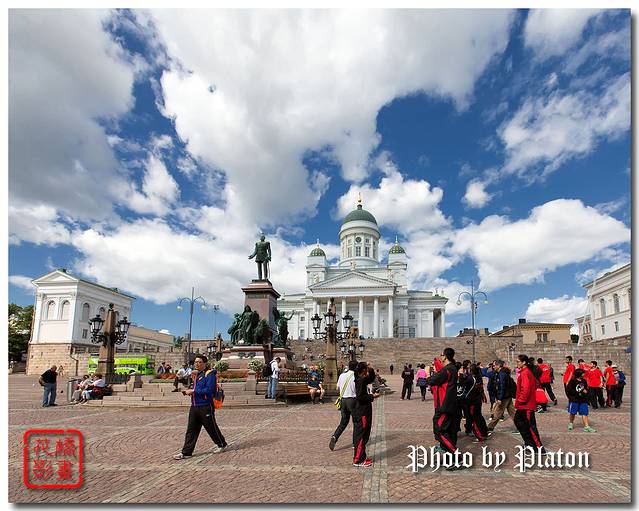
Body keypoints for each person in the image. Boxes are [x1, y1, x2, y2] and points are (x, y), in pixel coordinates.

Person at [173, 355, 228, 459]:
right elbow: (198, 389)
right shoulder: (197, 375)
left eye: (199, 362)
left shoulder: (210, 374)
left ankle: (222, 444)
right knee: (191, 430)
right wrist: (190, 392)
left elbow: (209, 390)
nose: (197, 364)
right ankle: (186, 452)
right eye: (196, 362)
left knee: (211, 427)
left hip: (205, 405)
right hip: (194, 405)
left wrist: (194, 391)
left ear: (205, 363)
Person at [423, 348, 460, 462]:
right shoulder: (452, 368)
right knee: (449, 431)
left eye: (441, 355)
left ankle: (457, 456)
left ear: (445, 356)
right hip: (450, 404)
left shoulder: (448, 369)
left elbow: (431, 380)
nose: (440, 357)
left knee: (440, 430)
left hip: (445, 405)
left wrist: (427, 373)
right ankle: (450, 457)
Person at [513, 355, 547, 455]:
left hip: (526, 405)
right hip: (523, 405)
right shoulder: (526, 372)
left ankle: (539, 448)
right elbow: (535, 384)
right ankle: (529, 443)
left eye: (518, 361)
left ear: (524, 362)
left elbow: (526, 389)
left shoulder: (525, 373)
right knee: (519, 422)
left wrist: (520, 400)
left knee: (531, 427)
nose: (517, 363)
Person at [352, 362, 380, 467]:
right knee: (362, 435)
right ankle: (358, 459)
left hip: (364, 410)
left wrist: (371, 370)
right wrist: (372, 396)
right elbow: (360, 397)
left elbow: (371, 378)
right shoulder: (360, 381)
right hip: (362, 411)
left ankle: (362, 456)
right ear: (363, 370)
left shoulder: (361, 379)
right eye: (366, 368)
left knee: (365, 434)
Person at [329, 360, 357, 451]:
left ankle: (335, 436)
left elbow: (337, 387)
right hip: (352, 400)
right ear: (356, 367)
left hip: (343, 400)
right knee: (356, 423)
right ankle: (355, 443)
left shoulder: (342, 375)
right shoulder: (356, 376)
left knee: (343, 422)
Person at [486, 360, 516, 431]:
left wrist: (499, 398)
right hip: (507, 396)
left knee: (497, 413)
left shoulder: (502, 374)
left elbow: (502, 387)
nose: (493, 367)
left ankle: (490, 427)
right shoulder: (501, 373)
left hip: (504, 397)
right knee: (512, 412)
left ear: (498, 366)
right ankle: (521, 426)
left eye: (494, 365)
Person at [464, 364, 489, 442]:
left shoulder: (471, 379)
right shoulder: (479, 377)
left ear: (471, 370)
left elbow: (462, 382)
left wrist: (461, 375)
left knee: (475, 418)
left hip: (472, 401)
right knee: (479, 416)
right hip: (477, 400)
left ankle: (480, 435)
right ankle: (484, 432)